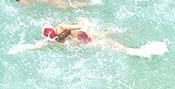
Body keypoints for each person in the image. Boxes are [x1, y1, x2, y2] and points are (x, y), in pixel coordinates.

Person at [8, 20, 166, 56]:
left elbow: (37, 46)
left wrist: (20, 48)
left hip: (80, 44)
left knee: (106, 40)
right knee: (107, 37)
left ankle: (128, 47)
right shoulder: (62, 28)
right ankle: (129, 48)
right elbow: (80, 23)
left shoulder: (54, 40)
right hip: (82, 38)